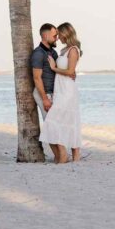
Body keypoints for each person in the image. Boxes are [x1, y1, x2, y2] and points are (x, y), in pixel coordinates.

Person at [30, 22, 76, 163]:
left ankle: (59, 157)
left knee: (55, 124)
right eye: (54, 35)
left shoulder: (53, 52)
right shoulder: (38, 53)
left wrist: (70, 73)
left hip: (54, 93)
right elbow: (37, 78)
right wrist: (44, 98)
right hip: (44, 93)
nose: (57, 38)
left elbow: (61, 70)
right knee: (51, 125)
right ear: (45, 35)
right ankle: (61, 156)